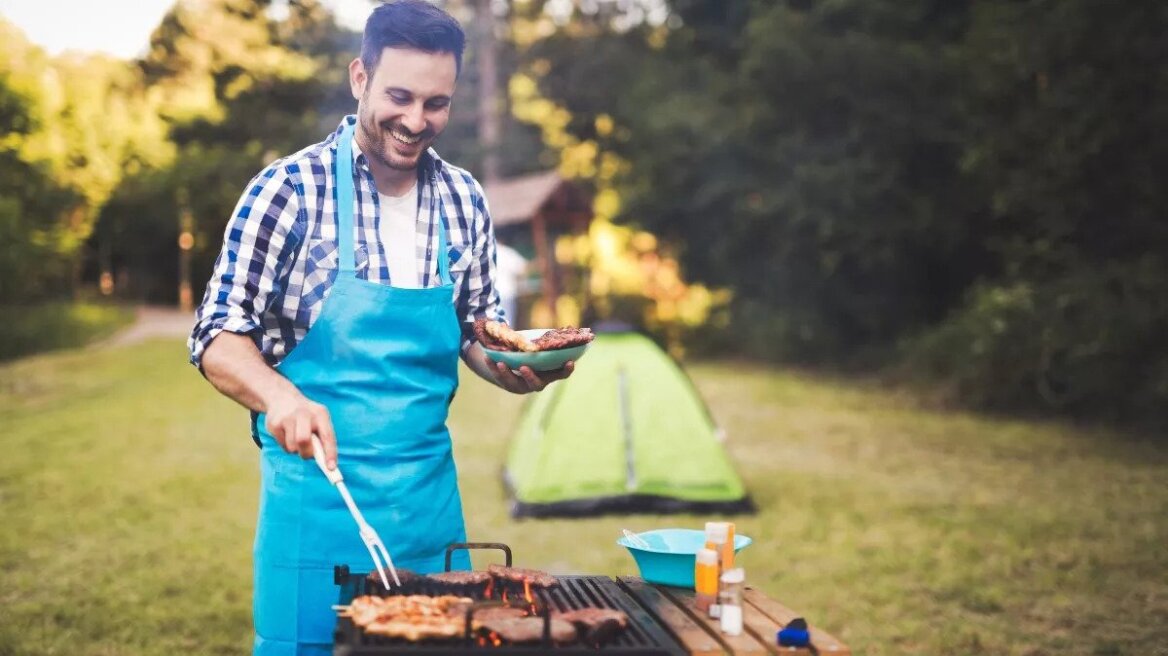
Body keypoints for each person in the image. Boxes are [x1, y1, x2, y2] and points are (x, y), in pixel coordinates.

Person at [186, 2, 574, 653]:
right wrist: (279, 396)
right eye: (400, 96)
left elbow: (476, 330)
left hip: (431, 513)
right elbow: (216, 334)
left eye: (437, 103)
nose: (416, 121)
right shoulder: (286, 190)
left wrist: (513, 367)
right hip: (316, 517)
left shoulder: (464, 198)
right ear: (360, 77)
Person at [493, 241, 529, 325]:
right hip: (506, 295)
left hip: (489, 297)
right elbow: (523, 269)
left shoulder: (483, 252)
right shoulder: (507, 252)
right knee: (507, 325)